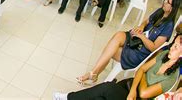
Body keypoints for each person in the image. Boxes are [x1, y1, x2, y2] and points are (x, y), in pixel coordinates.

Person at [76, 0, 181, 85]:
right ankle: (94, 74)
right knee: (117, 36)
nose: (164, 2)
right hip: (136, 40)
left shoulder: (168, 26)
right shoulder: (160, 11)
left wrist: (141, 37)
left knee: (111, 49)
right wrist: (141, 26)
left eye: (168, 1)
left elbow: (154, 47)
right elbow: (146, 21)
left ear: (172, 8)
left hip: (140, 52)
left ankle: (93, 74)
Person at [54, 34, 182, 100]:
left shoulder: (172, 78)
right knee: (99, 98)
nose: (171, 47)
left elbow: (143, 94)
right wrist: (136, 85)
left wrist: (141, 77)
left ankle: (68, 97)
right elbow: (141, 69)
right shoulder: (165, 54)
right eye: (173, 44)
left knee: (106, 88)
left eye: (176, 47)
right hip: (130, 88)